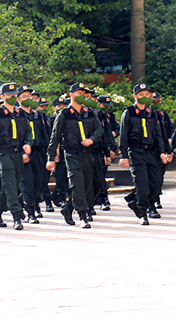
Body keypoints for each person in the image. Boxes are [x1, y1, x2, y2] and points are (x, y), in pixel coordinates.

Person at [46, 83, 105, 228]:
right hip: (71, 154)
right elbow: (55, 137)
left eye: (83, 93)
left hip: (87, 154)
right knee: (77, 184)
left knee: (87, 185)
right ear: (71, 95)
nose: (81, 96)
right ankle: (82, 215)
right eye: (78, 93)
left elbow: (99, 129)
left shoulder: (89, 112)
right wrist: (51, 158)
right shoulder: (64, 114)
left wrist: (91, 139)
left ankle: (68, 208)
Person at [117, 83, 172, 225]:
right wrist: (123, 155)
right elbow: (123, 135)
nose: (145, 98)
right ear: (135, 96)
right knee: (142, 185)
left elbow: (159, 134)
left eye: (148, 95)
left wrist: (162, 152)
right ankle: (142, 212)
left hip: (152, 152)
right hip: (136, 152)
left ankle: (134, 201)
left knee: (156, 183)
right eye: (142, 95)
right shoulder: (128, 112)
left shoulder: (152, 113)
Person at [0, 83, 33, 230]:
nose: (13, 97)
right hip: (4, 154)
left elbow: (29, 131)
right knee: (11, 186)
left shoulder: (20, 113)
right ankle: (17, 216)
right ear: (3, 97)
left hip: (18, 154)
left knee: (11, 186)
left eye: (14, 95)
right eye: (9, 95)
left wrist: (28, 144)